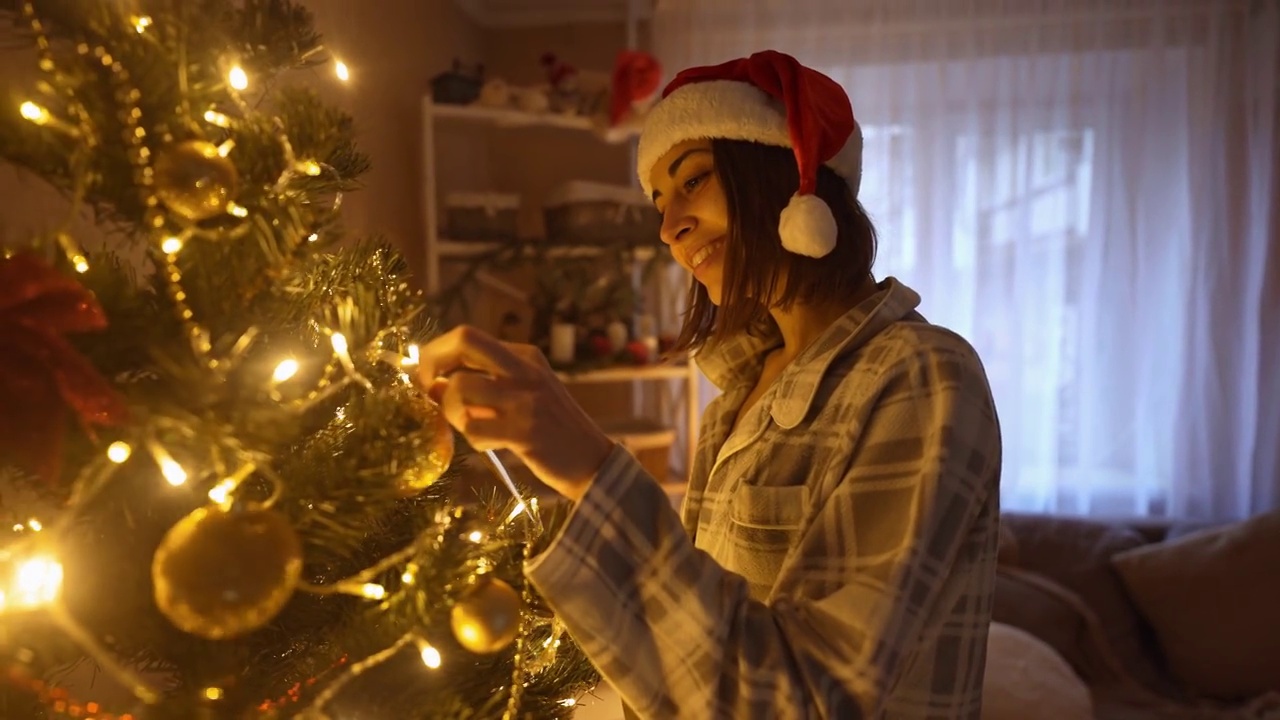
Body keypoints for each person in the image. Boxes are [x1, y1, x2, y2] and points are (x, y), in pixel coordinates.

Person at [418, 50, 1003, 720]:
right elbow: (693, 661)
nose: (669, 229)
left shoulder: (922, 377)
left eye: (692, 181)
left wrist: (594, 469)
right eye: (659, 203)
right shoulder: (735, 406)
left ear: (788, 178)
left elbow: (809, 702)